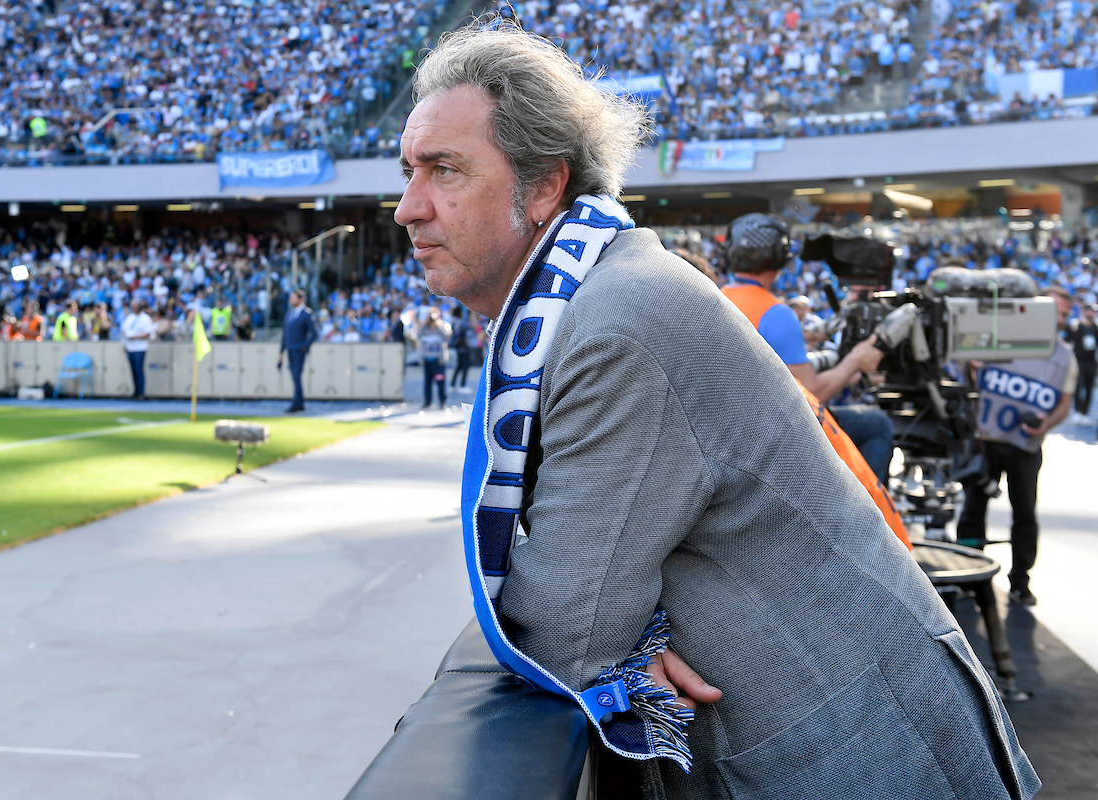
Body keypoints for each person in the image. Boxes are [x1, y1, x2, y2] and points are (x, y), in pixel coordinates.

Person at [394, 21, 1038, 798]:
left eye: (444, 170)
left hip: (868, 756)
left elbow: (563, 625)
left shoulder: (615, 327)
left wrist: (620, 639)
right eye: (408, 172)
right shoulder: (605, 288)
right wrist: (627, 636)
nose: (407, 208)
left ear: (543, 186)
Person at [721, 213, 895, 479]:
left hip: (735, 432)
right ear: (780, 256)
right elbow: (811, 395)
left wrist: (815, 335)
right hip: (773, 438)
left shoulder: (720, 297)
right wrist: (855, 361)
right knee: (878, 425)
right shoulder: (777, 314)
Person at [957, 287, 1078, 606]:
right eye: (1056, 311)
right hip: (986, 441)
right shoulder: (999, 336)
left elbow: (1064, 404)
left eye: (1065, 314)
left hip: (1026, 446)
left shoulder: (1065, 356)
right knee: (972, 509)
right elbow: (963, 364)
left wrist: (1046, 422)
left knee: (1025, 514)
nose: (1060, 319)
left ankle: (1021, 580)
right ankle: (966, 570)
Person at [277, 290, 317, 413]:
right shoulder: (289, 313)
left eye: (293, 298)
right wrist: (281, 352)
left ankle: (296, 404)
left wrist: (305, 346)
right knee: (295, 377)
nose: (290, 300)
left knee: (296, 376)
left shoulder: (307, 314)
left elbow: (314, 333)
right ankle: (299, 403)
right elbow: (285, 334)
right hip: (290, 349)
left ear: (300, 299)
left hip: (299, 351)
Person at [1064, 301, 1096, 425]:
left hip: (1091, 361)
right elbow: (1066, 341)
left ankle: (1085, 413)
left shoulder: (1095, 327)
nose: (1092, 313)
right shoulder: (1075, 326)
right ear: (1084, 311)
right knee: (1078, 386)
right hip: (1077, 360)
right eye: (1090, 311)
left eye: (1093, 311)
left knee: (1089, 388)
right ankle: (1078, 411)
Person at [120, 299, 154, 400]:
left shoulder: (145, 318)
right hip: (130, 347)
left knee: (139, 370)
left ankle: (141, 392)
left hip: (140, 348)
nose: (133, 308)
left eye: (135, 306)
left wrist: (134, 337)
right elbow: (124, 330)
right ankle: (135, 391)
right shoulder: (130, 317)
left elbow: (148, 333)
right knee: (133, 370)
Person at [417, 308, 451, 408]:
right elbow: (418, 335)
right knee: (427, 382)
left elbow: (447, 336)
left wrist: (438, 325)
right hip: (427, 360)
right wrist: (425, 323)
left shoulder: (443, 326)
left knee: (440, 382)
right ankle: (427, 401)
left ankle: (442, 402)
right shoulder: (424, 327)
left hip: (438, 361)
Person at [449, 305, 473, 388]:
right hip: (463, 346)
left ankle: (453, 384)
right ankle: (462, 385)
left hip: (459, 346)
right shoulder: (460, 322)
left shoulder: (453, 320)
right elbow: (464, 331)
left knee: (459, 366)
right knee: (465, 365)